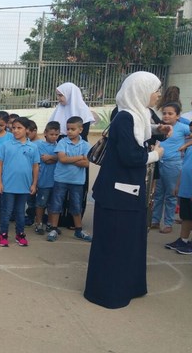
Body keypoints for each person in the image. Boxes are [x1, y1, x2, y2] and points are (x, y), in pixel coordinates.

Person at [84, 71, 167, 309]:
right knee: (116, 244)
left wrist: (159, 130)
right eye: (155, 89)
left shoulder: (135, 115)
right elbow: (130, 155)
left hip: (128, 191)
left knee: (130, 242)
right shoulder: (125, 118)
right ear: (141, 91)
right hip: (118, 194)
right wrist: (156, 154)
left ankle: (130, 286)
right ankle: (109, 292)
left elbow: (140, 131)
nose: (158, 94)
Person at [45, 116, 92, 242]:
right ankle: (54, 228)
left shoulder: (86, 145)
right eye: (67, 129)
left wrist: (71, 159)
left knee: (76, 206)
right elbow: (62, 159)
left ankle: (78, 230)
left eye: (73, 129)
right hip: (61, 179)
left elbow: (87, 163)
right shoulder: (62, 142)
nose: (69, 131)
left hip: (77, 181)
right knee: (56, 204)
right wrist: (80, 157)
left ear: (80, 130)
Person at [0, 117, 40, 247]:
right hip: (8, 186)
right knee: (6, 211)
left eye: (19, 128)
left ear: (27, 130)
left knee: (20, 212)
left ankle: (20, 234)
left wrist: (34, 184)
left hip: (24, 186)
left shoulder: (33, 147)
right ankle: (3, 234)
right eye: (14, 128)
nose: (15, 130)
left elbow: (35, 166)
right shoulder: (6, 145)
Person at [150, 102, 190, 233]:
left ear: (178, 116)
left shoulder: (183, 127)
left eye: (170, 113)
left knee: (171, 195)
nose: (166, 116)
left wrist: (185, 145)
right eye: (164, 113)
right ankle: (155, 221)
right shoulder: (160, 128)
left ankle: (168, 223)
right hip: (158, 162)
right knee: (157, 194)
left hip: (173, 165)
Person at [165, 135, 192, 254]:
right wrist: (178, 185)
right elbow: (184, 167)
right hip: (186, 188)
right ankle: (183, 240)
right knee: (186, 216)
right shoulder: (189, 146)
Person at [33, 121, 60, 234]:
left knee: (52, 204)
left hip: (56, 180)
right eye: (51, 134)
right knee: (41, 203)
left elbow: (60, 158)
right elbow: (45, 160)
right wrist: (56, 157)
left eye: (56, 135)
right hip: (44, 180)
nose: (54, 137)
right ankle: (38, 223)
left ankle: (49, 223)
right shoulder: (39, 145)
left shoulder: (60, 145)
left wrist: (53, 157)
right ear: (45, 133)